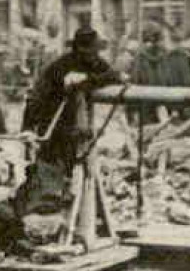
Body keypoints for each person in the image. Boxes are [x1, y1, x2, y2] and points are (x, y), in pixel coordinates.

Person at [18, 25, 125, 214]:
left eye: (94, 52)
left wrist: (85, 79)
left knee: (75, 167)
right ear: (78, 49)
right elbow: (36, 96)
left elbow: (114, 76)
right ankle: (43, 207)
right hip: (53, 123)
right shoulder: (60, 66)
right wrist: (28, 127)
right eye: (88, 51)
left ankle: (72, 210)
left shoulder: (94, 64)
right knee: (51, 168)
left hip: (75, 126)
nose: (93, 56)